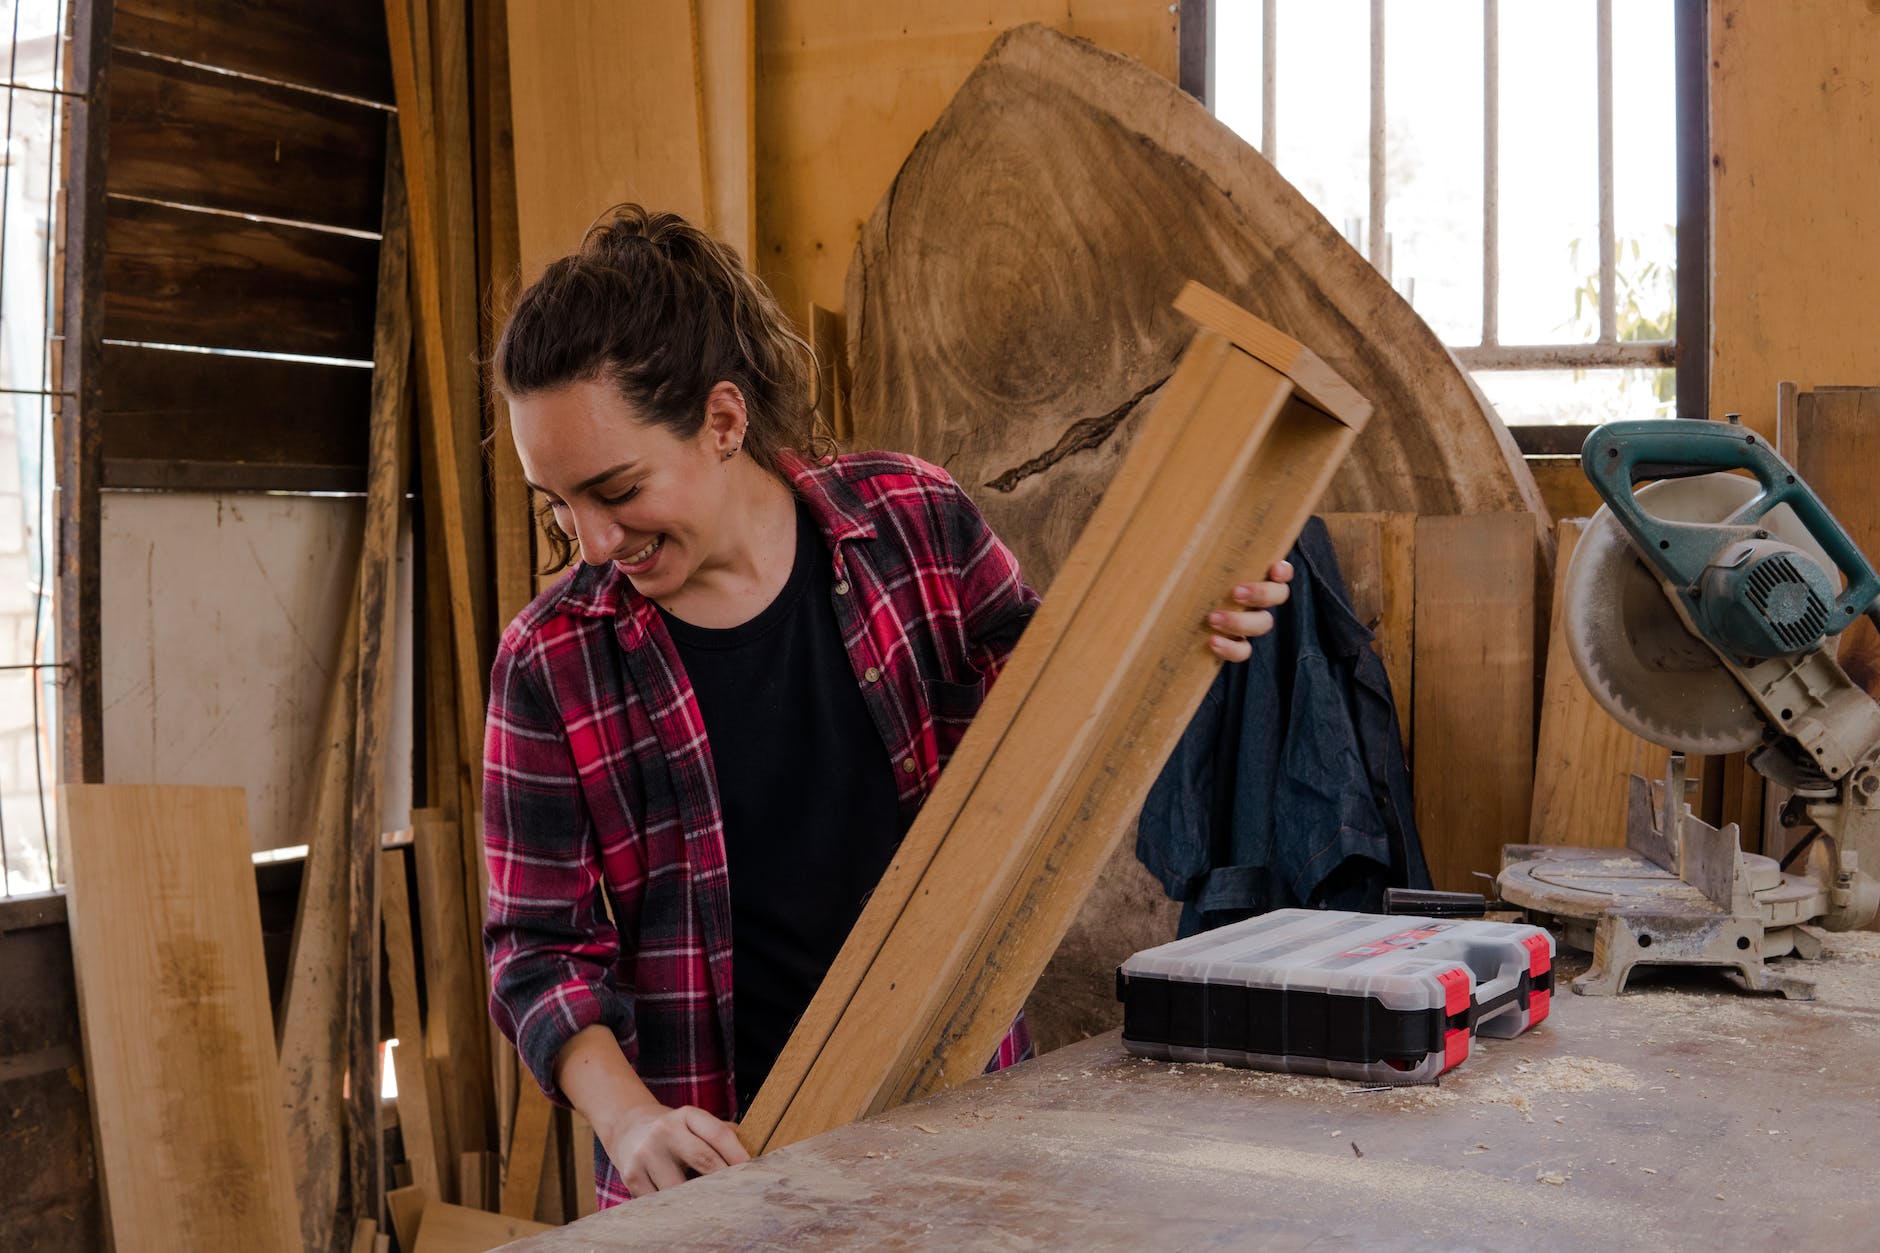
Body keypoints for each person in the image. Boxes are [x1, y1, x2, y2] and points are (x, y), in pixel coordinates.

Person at [482, 205, 1294, 1206]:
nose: (591, 541)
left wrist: (1188, 626)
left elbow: (1066, 703)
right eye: (555, 503)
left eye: (616, 487)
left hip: (955, 1120)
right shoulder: (550, 657)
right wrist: (628, 1115)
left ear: (723, 420)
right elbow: (535, 947)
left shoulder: (911, 524)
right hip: (712, 1169)